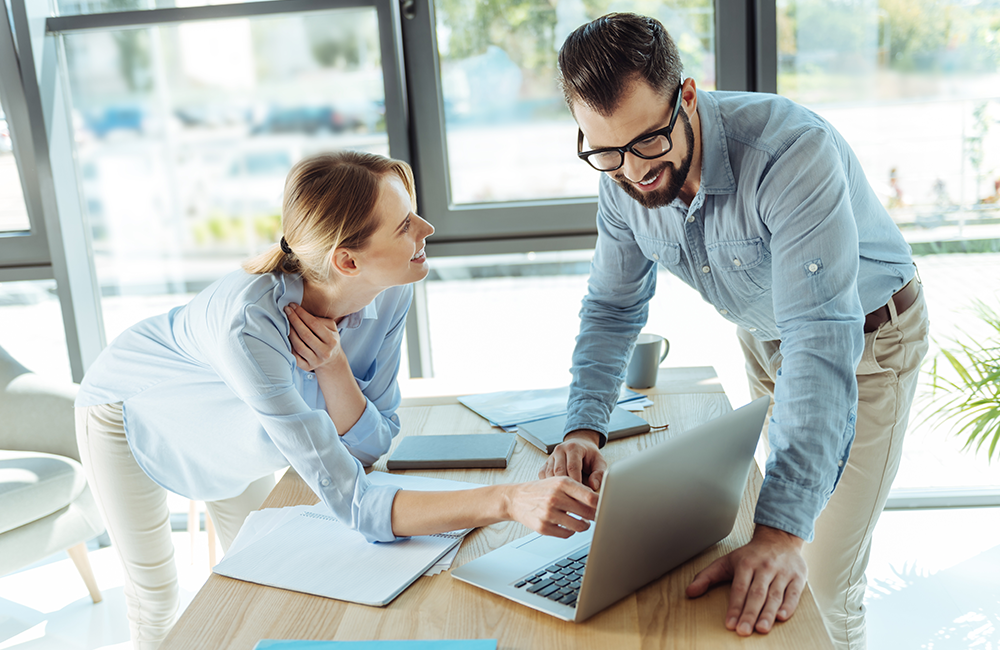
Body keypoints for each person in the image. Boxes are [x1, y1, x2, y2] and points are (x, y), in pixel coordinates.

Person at [75, 151, 598, 649]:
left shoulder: (390, 286)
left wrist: (332, 365)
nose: (426, 230)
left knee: (268, 585)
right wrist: (508, 499)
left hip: (245, 430)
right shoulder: (249, 326)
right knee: (157, 598)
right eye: (404, 225)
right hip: (132, 411)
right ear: (347, 260)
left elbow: (372, 444)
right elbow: (356, 504)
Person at [538, 14, 929, 650]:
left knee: (817, 583)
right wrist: (584, 427)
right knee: (752, 560)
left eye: (647, 144)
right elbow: (612, 307)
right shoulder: (618, 175)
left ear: (686, 97)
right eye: (605, 152)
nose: (633, 173)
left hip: (865, 341)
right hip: (767, 335)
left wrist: (780, 535)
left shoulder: (789, 152)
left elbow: (819, 339)